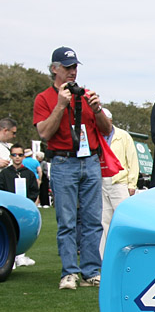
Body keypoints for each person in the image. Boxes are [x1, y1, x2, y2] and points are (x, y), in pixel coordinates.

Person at [33, 46, 111, 290]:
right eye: (67, 67)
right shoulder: (44, 98)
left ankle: (91, 270)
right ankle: (69, 272)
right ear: (54, 69)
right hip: (63, 161)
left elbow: (107, 130)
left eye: (75, 67)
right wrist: (59, 105)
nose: (72, 72)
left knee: (92, 220)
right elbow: (44, 132)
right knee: (66, 220)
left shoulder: (85, 95)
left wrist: (97, 109)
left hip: (90, 161)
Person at [100, 109, 140, 255]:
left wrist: (132, 183)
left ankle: (127, 251)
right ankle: (105, 256)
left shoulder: (123, 136)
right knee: (104, 221)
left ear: (110, 120)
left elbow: (133, 160)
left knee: (122, 219)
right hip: (100, 181)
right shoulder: (96, 136)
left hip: (119, 181)